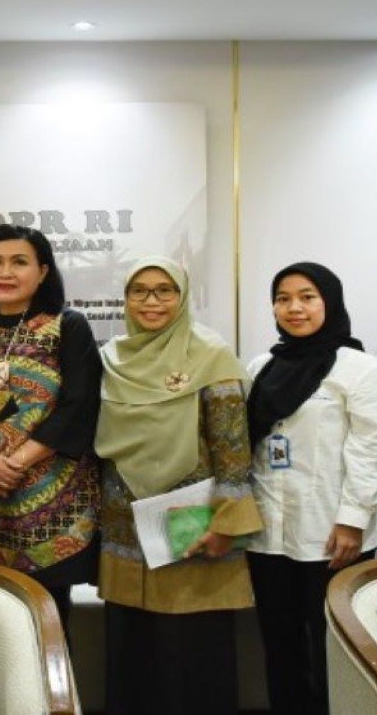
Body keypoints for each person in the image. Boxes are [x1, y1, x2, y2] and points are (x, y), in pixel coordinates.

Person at [94, 257, 261, 715]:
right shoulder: (112, 358)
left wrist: (228, 522)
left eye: (165, 290)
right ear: (125, 298)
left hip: (193, 521)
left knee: (192, 653)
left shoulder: (210, 354)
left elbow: (232, 446)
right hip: (124, 524)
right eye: (140, 291)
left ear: (183, 296)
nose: (152, 301)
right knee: (134, 651)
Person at [244, 262, 377, 715]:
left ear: (329, 301)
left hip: (333, 528)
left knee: (336, 643)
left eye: (308, 297)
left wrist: (353, 521)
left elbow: (374, 449)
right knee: (280, 641)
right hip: (268, 530)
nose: (294, 308)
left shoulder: (361, 369)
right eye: (283, 298)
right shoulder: (261, 366)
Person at [0, 224, 102, 624]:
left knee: (48, 624)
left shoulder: (67, 325)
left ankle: (51, 691)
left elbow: (80, 404)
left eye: (19, 262)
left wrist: (17, 462)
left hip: (52, 505)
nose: (4, 272)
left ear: (42, 271)